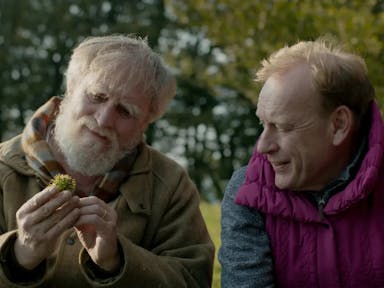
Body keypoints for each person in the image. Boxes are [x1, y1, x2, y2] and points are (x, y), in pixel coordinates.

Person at [0, 34, 214, 287]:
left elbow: (193, 280)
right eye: (98, 97)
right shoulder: (3, 167)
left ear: (147, 121)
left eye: (125, 111)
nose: (103, 120)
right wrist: (18, 255)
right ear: (71, 86)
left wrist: (117, 260)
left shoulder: (170, 185)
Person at [219, 36, 384, 287]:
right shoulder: (247, 191)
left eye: (283, 127)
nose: (263, 146)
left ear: (338, 124)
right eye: (263, 124)